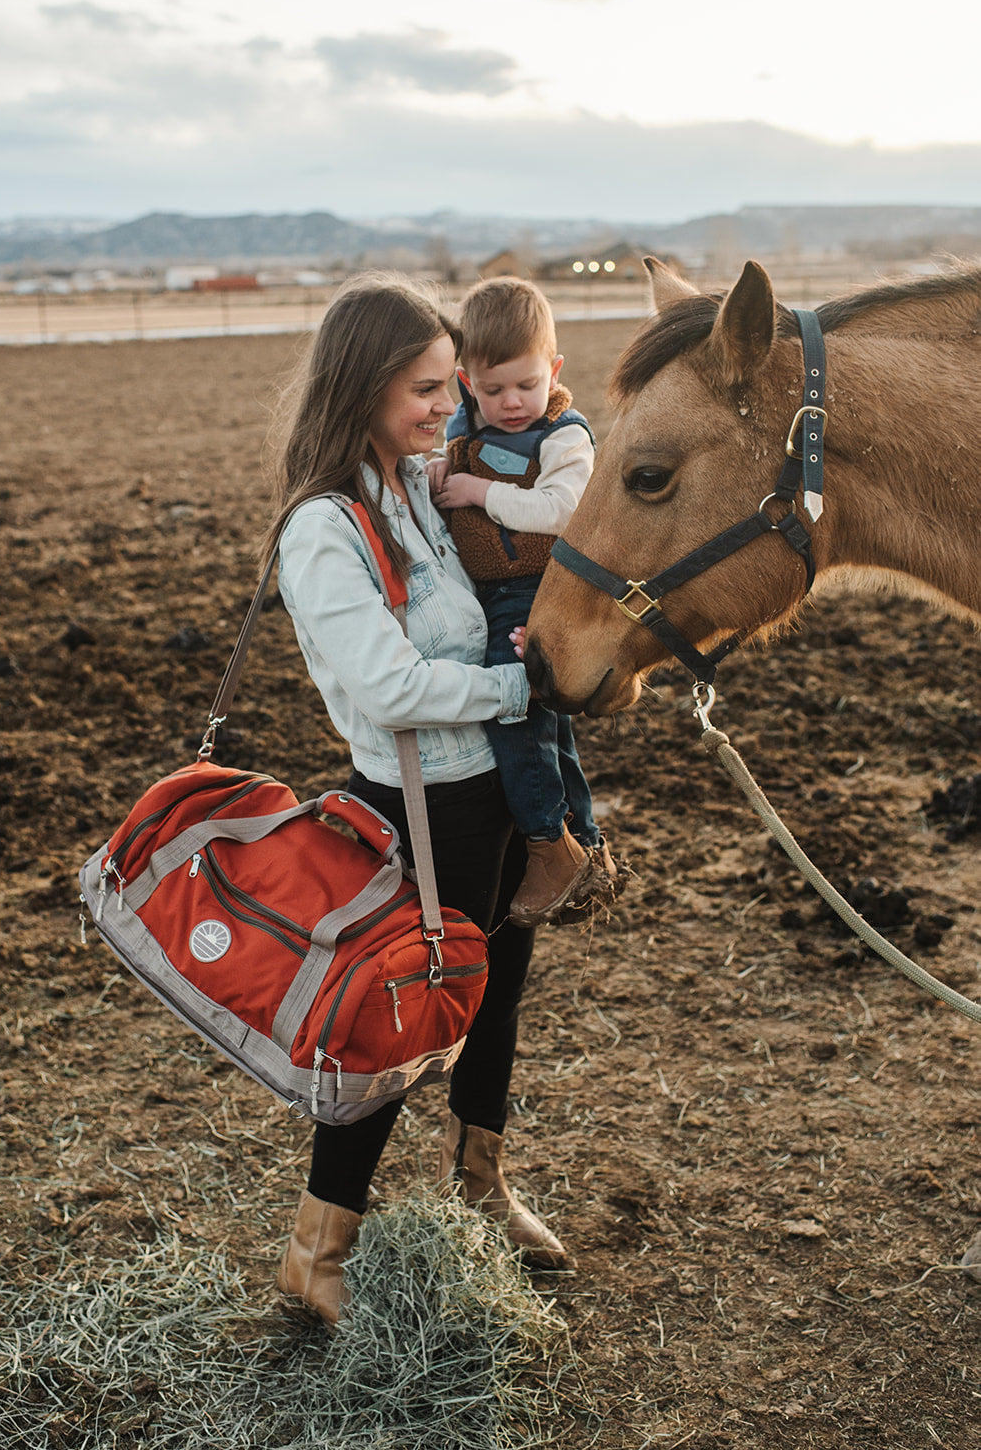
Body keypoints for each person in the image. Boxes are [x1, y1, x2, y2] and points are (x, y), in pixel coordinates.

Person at [265, 271, 570, 1328]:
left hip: (490, 795)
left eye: (452, 387)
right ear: (363, 386)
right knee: (390, 1028)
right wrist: (512, 685)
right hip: (413, 810)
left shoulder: (418, 484)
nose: (450, 408)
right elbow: (387, 683)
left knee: (495, 1000)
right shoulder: (325, 527)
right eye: (427, 390)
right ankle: (317, 1252)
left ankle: (483, 1187)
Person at [427, 276, 620, 926]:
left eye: (527, 385)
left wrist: (481, 495)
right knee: (551, 728)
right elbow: (447, 455)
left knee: (519, 717)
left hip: (535, 590)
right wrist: (437, 469)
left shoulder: (563, 436)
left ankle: (545, 842)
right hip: (487, 591)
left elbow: (567, 511)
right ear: (465, 381)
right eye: (493, 389)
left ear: (554, 370)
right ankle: (584, 845)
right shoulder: (465, 423)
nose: (512, 404)